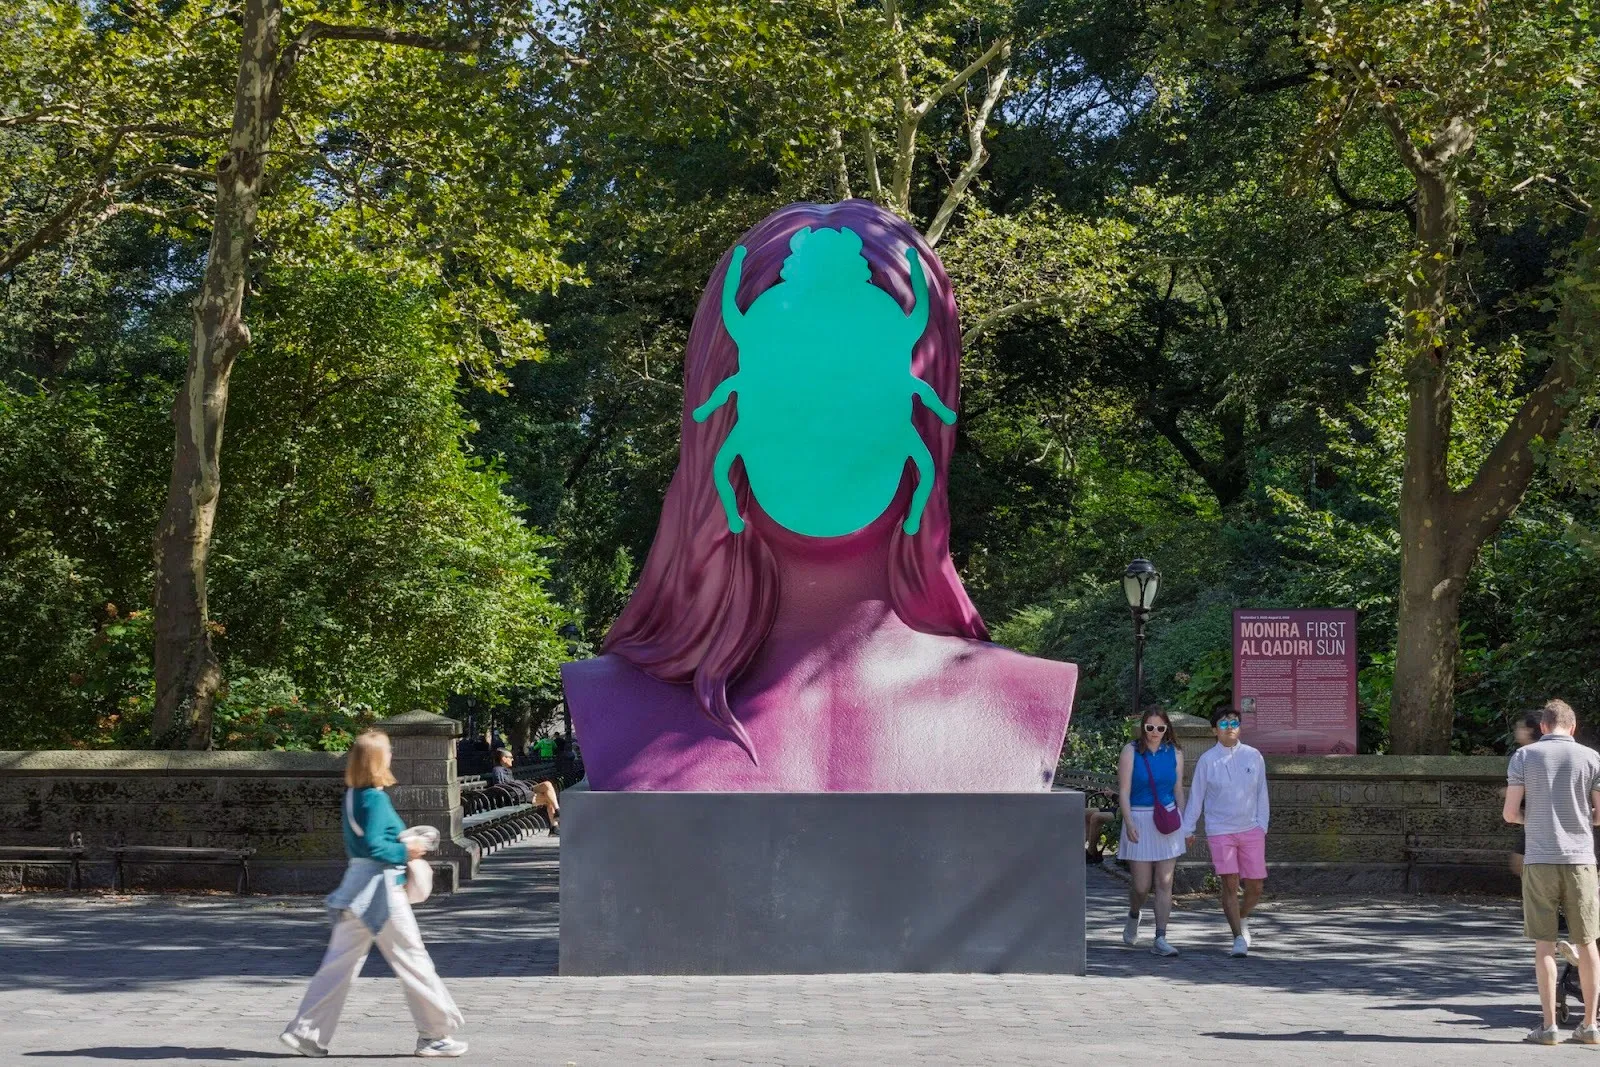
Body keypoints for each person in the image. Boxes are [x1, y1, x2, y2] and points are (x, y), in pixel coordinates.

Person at [280, 730, 467, 1059]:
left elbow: (364, 844)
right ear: (379, 759)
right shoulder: (376, 798)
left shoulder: (353, 795)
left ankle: (305, 1033)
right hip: (382, 893)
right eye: (389, 752)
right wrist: (409, 849)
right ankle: (435, 1035)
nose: (392, 756)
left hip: (355, 891)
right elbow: (377, 847)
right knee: (414, 961)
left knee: (338, 966)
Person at [1503, 698, 1600, 1045]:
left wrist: (1539, 820)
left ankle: (1549, 1028)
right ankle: (1589, 1024)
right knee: (1588, 944)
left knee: (1544, 945)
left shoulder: (1524, 758)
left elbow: (1510, 813)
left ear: (1543, 727)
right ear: (1572, 727)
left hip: (1540, 859)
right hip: (1581, 861)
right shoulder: (1592, 758)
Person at [1182, 702, 1270, 958]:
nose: (1230, 728)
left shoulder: (1254, 755)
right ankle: (1238, 938)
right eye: (1224, 724)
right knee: (1229, 884)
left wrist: (1262, 825)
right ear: (1214, 730)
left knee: (1255, 888)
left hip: (1251, 829)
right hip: (1220, 830)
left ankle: (1242, 918)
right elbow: (1196, 797)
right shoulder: (1208, 760)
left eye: (1234, 723)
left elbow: (1261, 792)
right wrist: (1188, 828)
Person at [1118, 708, 1187, 956]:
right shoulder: (1131, 751)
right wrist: (1128, 821)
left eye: (1160, 728)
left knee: (1164, 881)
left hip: (1167, 820)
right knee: (1141, 885)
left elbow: (1178, 788)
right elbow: (1124, 790)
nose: (1155, 733)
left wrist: (1184, 820)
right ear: (1143, 728)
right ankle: (1134, 913)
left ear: (1167, 728)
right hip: (1139, 817)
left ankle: (1160, 937)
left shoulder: (1175, 753)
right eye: (1150, 728)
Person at [1511, 709, 1546, 878]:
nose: (1516, 731)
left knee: (1519, 861)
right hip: (1537, 818)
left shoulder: (1528, 755)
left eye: (1519, 727)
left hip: (1539, 820)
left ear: (1530, 730)